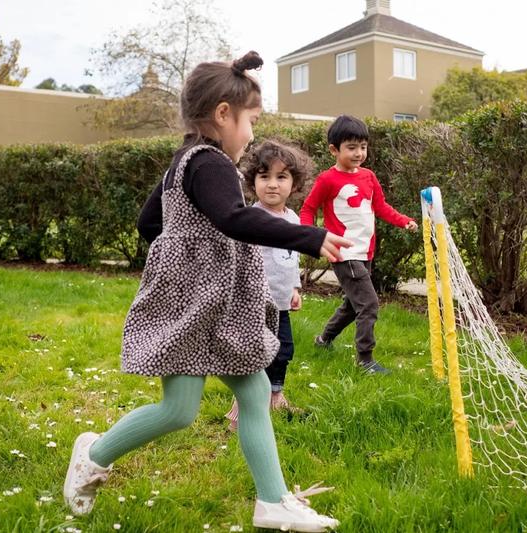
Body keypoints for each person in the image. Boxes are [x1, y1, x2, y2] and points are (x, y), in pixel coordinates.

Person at [63, 51, 347, 532]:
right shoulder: (212, 162)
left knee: (255, 389)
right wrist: (310, 237)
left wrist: (185, 256)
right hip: (198, 303)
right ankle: (92, 453)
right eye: (251, 121)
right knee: (178, 410)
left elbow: (149, 223)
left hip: (203, 298)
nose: (253, 134)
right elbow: (233, 219)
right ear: (223, 114)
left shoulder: (181, 163)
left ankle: (273, 501)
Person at [299, 115, 418, 374]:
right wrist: (309, 237)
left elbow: (381, 207)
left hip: (365, 250)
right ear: (334, 149)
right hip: (344, 252)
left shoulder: (368, 177)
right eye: (351, 147)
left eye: (363, 146)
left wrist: (404, 221)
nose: (359, 153)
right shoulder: (327, 180)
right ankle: (365, 359)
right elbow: (308, 209)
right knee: (369, 304)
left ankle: (323, 339)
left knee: (353, 305)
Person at [225, 140, 314, 431]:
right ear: (253, 182)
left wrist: (295, 288)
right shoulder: (251, 219)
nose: (272, 185)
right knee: (254, 355)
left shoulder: (291, 218)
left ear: (295, 183)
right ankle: (242, 410)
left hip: (280, 302)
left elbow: (291, 258)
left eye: (281, 177)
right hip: (254, 303)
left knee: (283, 350)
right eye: (264, 177)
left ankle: (275, 395)